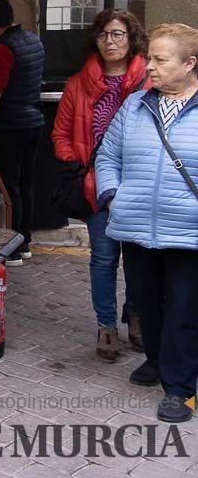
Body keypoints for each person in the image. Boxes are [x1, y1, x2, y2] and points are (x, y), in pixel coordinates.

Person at [95, 23, 198, 423]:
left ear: (190, 64)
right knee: (145, 302)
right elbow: (107, 157)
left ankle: (180, 388)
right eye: (150, 58)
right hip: (136, 225)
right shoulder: (135, 105)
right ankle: (157, 360)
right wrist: (112, 195)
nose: (150, 67)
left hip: (188, 231)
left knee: (185, 307)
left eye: (160, 59)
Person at [51, 9, 149, 362]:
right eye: (104, 34)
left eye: (118, 34)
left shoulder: (148, 82)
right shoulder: (79, 83)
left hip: (140, 186)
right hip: (95, 186)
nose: (110, 41)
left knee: (139, 260)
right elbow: (60, 132)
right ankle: (106, 324)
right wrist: (76, 163)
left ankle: (136, 314)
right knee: (104, 259)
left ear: (131, 38)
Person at [0, 0, 44, 265]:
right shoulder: (32, 40)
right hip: (34, 122)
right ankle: (24, 240)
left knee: (8, 187)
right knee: (25, 185)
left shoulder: (0, 51)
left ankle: (12, 248)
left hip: (11, 126)